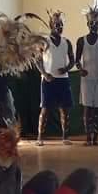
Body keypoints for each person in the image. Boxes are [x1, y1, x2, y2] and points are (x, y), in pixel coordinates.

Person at [75, 5, 98, 146]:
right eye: (91, 23)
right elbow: (76, 60)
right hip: (86, 79)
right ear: (87, 24)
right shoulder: (81, 41)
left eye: (96, 23)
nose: (94, 26)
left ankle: (95, 138)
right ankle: (88, 138)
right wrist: (80, 69)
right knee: (87, 109)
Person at [37, 10, 74, 146]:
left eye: (61, 25)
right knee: (45, 110)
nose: (60, 27)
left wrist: (66, 68)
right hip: (48, 80)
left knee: (65, 110)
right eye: (57, 25)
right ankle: (40, 137)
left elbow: (72, 60)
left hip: (63, 79)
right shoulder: (44, 41)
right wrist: (45, 74)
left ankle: (65, 137)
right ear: (51, 25)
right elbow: (37, 60)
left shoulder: (67, 42)